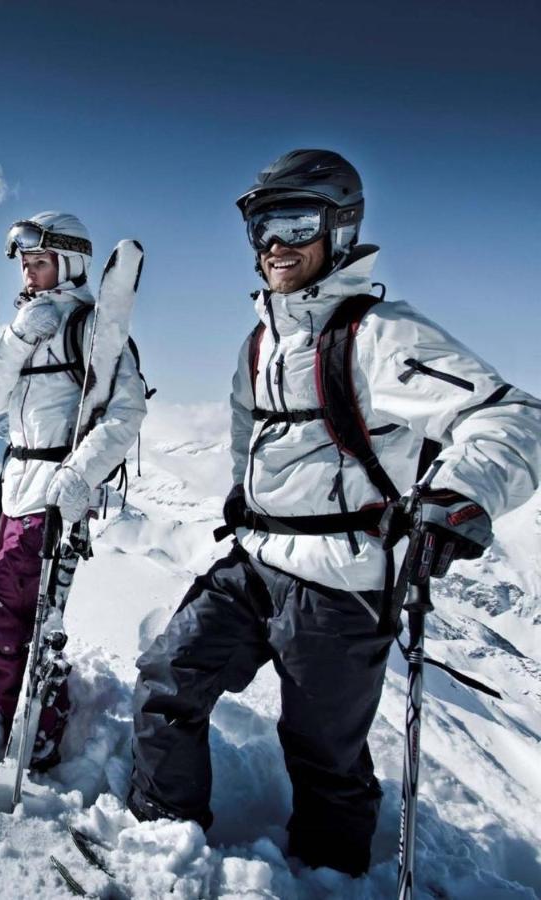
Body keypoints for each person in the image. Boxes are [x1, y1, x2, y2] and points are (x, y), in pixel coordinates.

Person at [129, 149, 541, 876]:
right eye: (262, 225)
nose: (276, 244)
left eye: (295, 221)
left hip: (340, 589)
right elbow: (243, 440)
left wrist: (457, 494)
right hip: (253, 565)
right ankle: (165, 847)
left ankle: (329, 882)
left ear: (341, 227)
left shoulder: (380, 336)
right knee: (168, 681)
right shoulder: (258, 342)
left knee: (323, 758)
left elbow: (511, 416)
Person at [0, 211, 148, 771]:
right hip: (15, 491)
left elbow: (125, 414)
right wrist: (19, 339)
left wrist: (79, 475)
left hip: (55, 496)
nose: (28, 273)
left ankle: (39, 724)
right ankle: (29, 703)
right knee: (17, 621)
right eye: (25, 263)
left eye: (39, 262)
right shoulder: (28, 326)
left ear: (70, 266)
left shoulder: (95, 331)